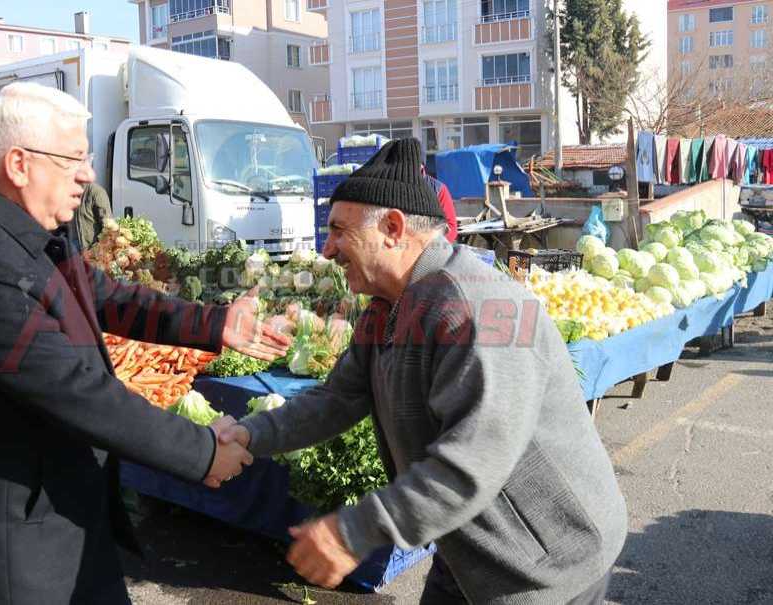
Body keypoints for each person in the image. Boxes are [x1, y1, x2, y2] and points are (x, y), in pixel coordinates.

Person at [0, 82, 289, 604]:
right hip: (2, 550)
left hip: (53, 517)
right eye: (73, 160)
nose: (87, 174)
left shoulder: (24, 235)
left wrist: (213, 324)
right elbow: (76, 391)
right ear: (19, 164)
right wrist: (202, 452)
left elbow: (107, 295)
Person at [220, 139, 628, 604]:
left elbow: (472, 461)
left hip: (546, 563)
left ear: (392, 228)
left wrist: (354, 531)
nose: (327, 249)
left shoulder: (478, 309)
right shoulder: (387, 307)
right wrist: (249, 434)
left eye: (338, 231)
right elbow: (336, 399)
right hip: (470, 544)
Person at [421, 166, 458, 243]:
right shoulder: (394, 186)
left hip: (430, 245)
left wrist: (432, 246)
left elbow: (451, 228)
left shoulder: (438, 189)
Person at [72, 181, 112, 250]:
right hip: (73, 245)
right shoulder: (69, 191)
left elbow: (108, 224)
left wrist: (98, 248)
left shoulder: (96, 192)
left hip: (90, 247)